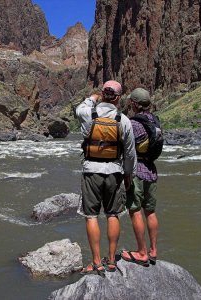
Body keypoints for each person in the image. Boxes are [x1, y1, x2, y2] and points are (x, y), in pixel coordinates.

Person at [76, 80, 137, 276]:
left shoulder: (87, 114)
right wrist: (129, 176)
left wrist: (92, 98)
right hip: (114, 172)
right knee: (113, 214)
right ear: (118, 98)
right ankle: (111, 260)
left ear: (103, 94)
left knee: (91, 216)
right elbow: (130, 153)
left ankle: (96, 262)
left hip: (91, 171)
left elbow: (80, 108)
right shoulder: (124, 120)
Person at [121, 88, 161, 266]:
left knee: (135, 210)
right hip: (151, 170)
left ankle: (142, 252)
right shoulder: (155, 120)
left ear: (134, 104)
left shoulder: (132, 123)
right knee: (150, 211)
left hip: (137, 171)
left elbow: (128, 151)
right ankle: (153, 250)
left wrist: (126, 174)